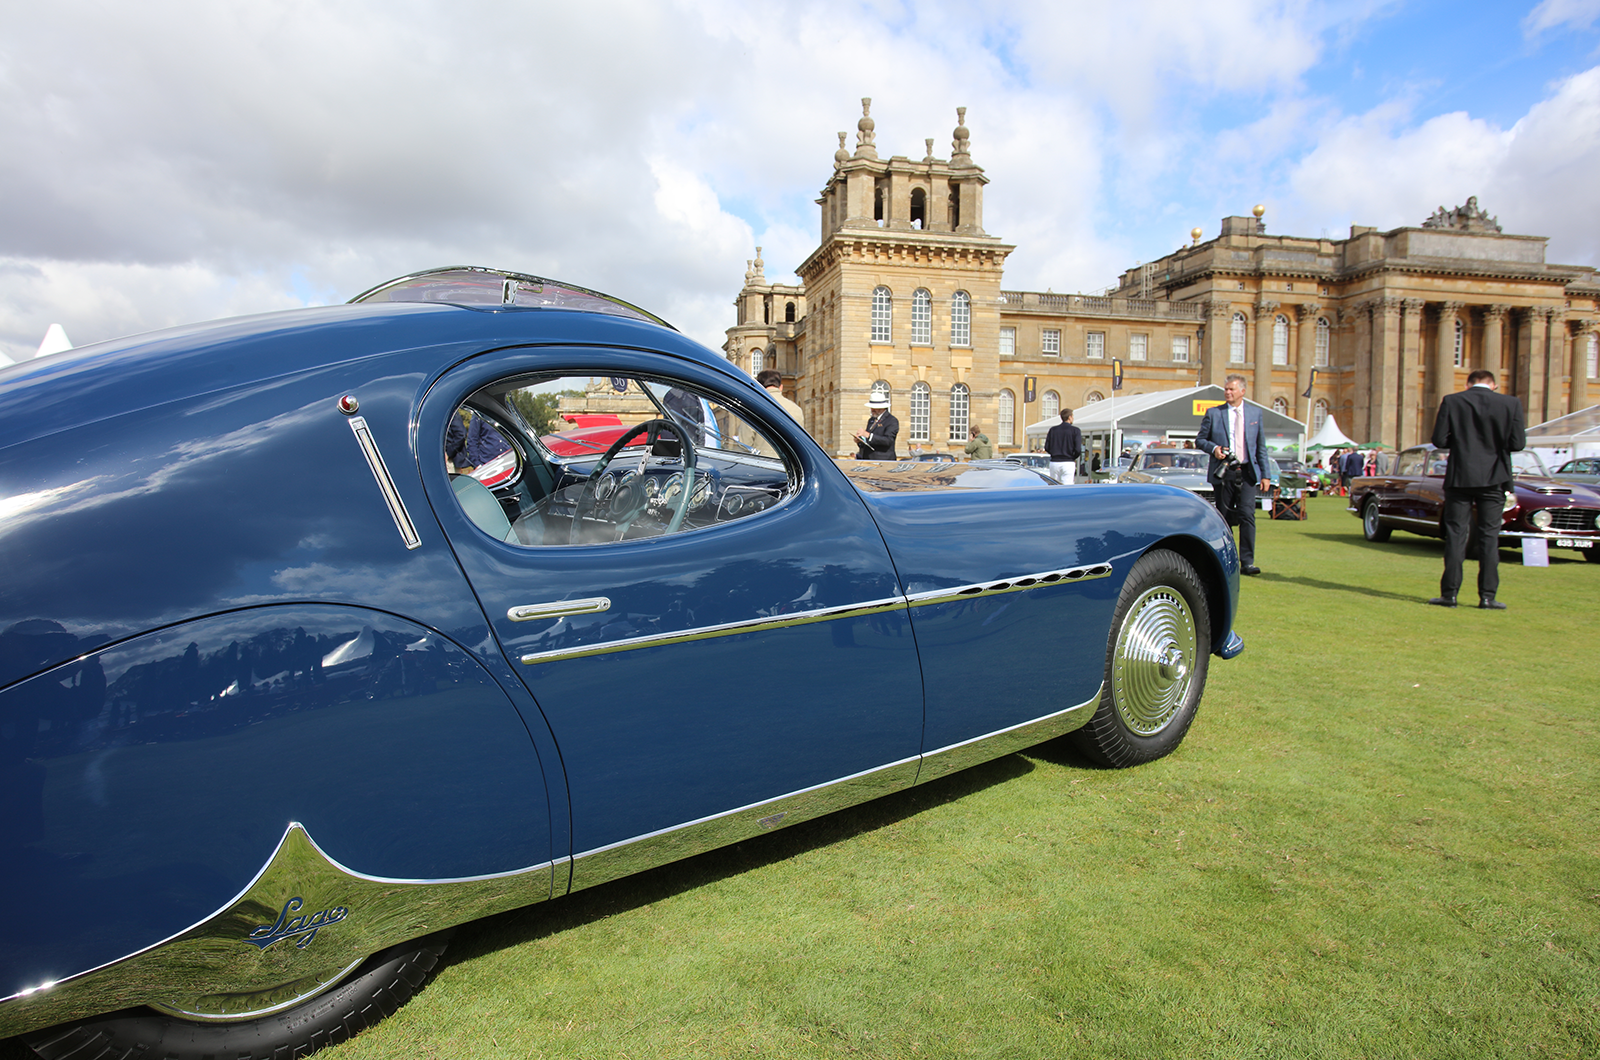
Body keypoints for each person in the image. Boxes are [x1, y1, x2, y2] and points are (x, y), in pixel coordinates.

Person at [1428, 369, 1525, 609]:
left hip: (1461, 476)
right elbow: (1517, 443)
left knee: (1456, 535)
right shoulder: (1510, 403)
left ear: (1469, 383)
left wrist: (1462, 441)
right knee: (1489, 537)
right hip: (1494, 476)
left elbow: (1439, 440)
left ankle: (1449, 595)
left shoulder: (1453, 400)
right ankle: (1487, 596)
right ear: (1494, 385)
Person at [1194, 374, 1272, 575]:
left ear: (1242, 392)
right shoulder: (1214, 413)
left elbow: (1260, 447)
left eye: (1231, 389)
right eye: (1226, 389)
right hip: (1224, 472)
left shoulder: (1255, 414)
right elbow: (1200, 440)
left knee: (1247, 515)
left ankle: (1247, 562)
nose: (1228, 392)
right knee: (1224, 517)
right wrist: (1215, 449)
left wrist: (1266, 475)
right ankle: (1227, 561)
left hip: (1247, 472)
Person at [755, 370, 807, 435]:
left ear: (759, 387)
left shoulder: (754, 408)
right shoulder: (797, 410)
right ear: (781, 387)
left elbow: (744, 441)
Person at [854, 393, 899, 460]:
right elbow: (869, 442)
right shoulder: (871, 420)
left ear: (882, 407)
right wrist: (860, 441)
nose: (872, 410)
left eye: (875, 408)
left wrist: (868, 435)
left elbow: (888, 441)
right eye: (871, 407)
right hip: (868, 459)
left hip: (883, 460)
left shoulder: (891, 421)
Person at [1044, 409, 1083, 484]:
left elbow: (1047, 447)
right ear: (1070, 417)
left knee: (1054, 485)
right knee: (1066, 486)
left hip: (1055, 462)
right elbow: (1078, 449)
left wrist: (1054, 453)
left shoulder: (1053, 430)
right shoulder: (1075, 430)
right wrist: (1072, 457)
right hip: (1068, 462)